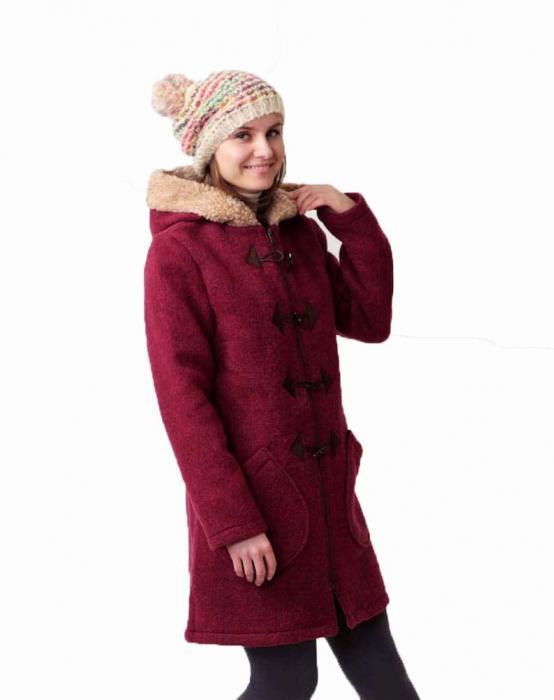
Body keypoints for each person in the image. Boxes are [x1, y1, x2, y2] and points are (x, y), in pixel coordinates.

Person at [144, 69, 420, 699]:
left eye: (274, 131)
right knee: (287, 680)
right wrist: (233, 523)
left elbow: (368, 320)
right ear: (209, 145)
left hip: (330, 506)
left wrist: (349, 218)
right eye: (242, 134)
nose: (264, 149)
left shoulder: (296, 231)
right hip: (256, 510)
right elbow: (182, 401)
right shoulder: (180, 253)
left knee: (384, 678)